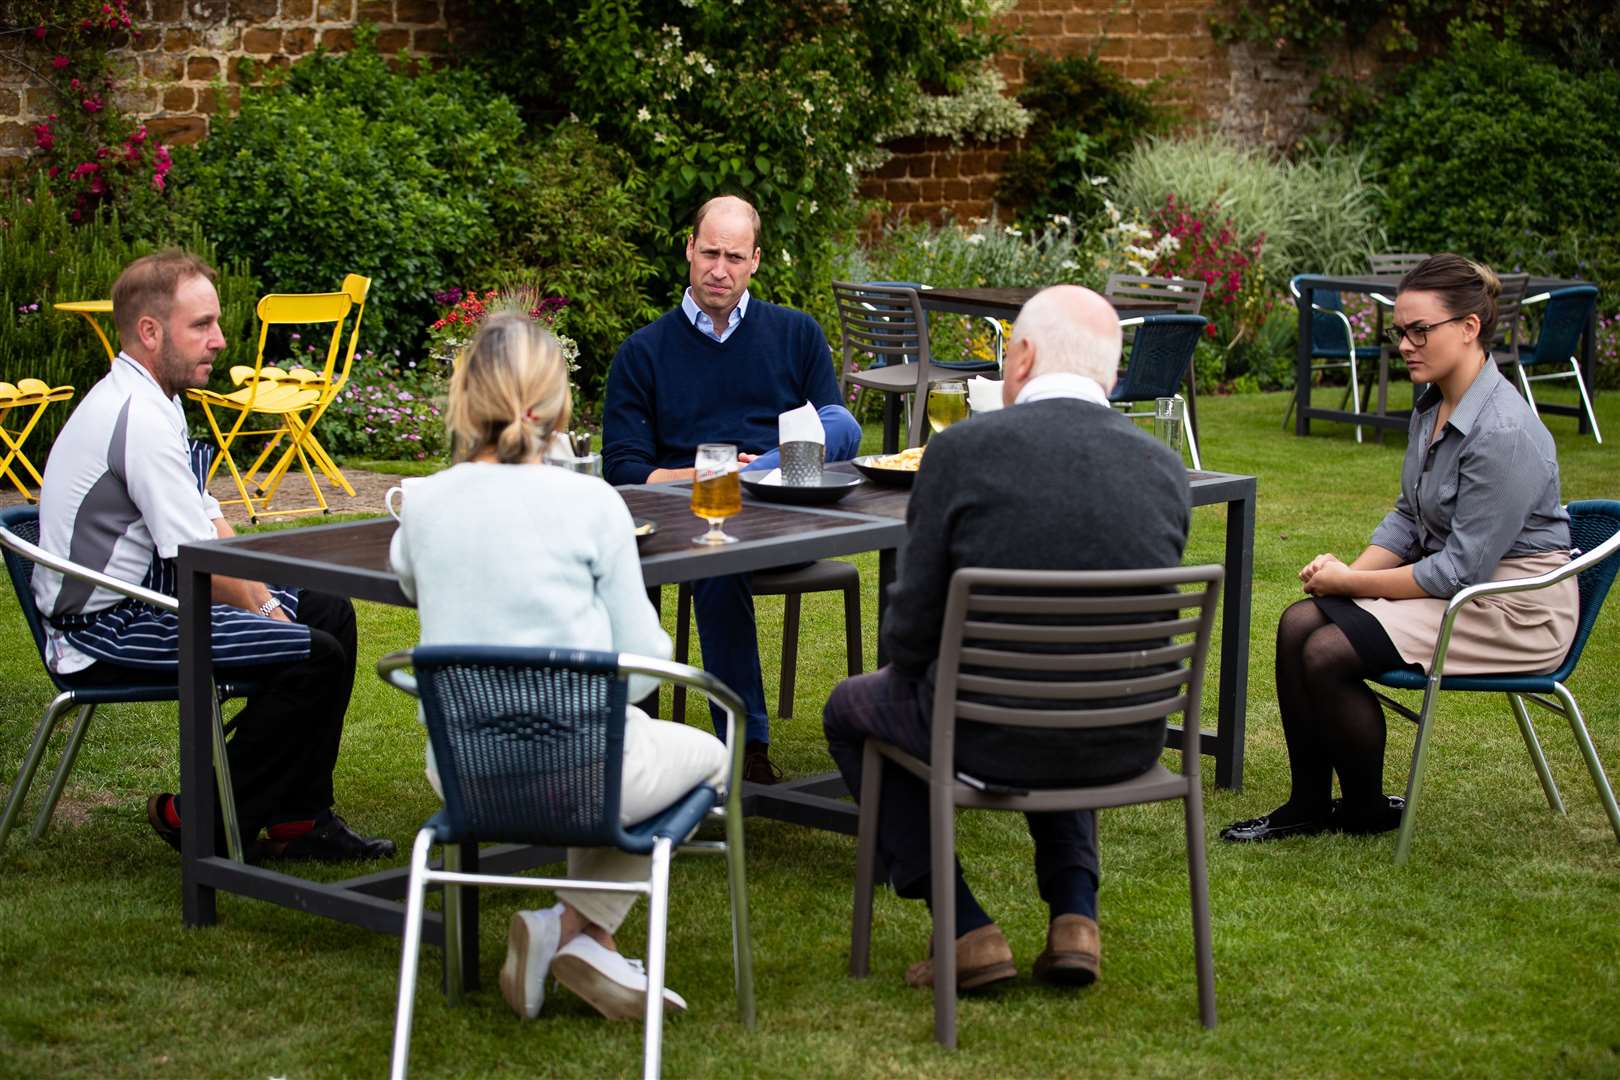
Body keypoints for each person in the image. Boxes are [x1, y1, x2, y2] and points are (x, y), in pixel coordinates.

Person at [822, 285, 1192, 993]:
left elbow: (909, 638)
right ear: (1111, 376)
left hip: (983, 731)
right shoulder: (1163, 468)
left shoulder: (960, 452)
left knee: (851, 707)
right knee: (1072, 670)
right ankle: (1075, 917)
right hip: (1126, 734)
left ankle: (964, 927)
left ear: (1019, 358)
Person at [389, 310, 730, 1021]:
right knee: (707, 752)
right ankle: (583, 932)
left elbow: (412, 578)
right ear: (558, 406)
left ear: (466, 399)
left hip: (462, 768)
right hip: (582, 766)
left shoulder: (422, 505)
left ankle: (572, 933)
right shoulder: (591, 503)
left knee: (605, 751)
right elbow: (642, 665)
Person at [32, 250, 392, 861]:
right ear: (150, 332)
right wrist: (272, 616)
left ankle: (298, 819)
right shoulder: (138, 419)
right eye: (201, 325)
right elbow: (206, 564)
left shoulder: (158, 400)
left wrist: (275, 598)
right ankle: (199, 817)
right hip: (104, 627)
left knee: (327, 609)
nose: (220, 340)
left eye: (216, 323)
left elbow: (210, 520)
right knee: (313, 654)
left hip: (150, 597)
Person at [1222, 255, 1579, 844]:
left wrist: (1351, 586)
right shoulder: (1433, 404)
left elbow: (1461, 569)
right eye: (1399, 332)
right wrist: (1342, 575)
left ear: (1468, 328)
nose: (1406, 345)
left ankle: (1363, 809)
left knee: (1327, 651)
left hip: (1513, 606)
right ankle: (1306, 803)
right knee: (1297, 623)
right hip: (1461, 587)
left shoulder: (1505, 432)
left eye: (1421, 331)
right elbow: (1409, 517)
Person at [602, 194, 861, 784]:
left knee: (842, 422)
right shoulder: (644, 352)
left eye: (735, 256)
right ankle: (747, 747)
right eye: (710, 252)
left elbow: (838, 435)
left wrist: (756, 472)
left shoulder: (796, 333)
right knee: (717, 555)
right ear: (689, 250)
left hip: (788, 508)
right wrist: (711, 475)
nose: (720, 269)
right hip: (696, 518)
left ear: (756, 261)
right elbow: (623, 473)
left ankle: (746, 476)